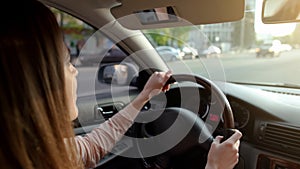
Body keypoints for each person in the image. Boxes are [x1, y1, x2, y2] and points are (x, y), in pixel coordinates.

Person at [0, 0, 242, 169]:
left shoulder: (42, 152)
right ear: (33, 81)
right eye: (65, 61)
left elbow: (92, 145)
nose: (74, 69)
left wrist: (143, 97)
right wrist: (214, 166)